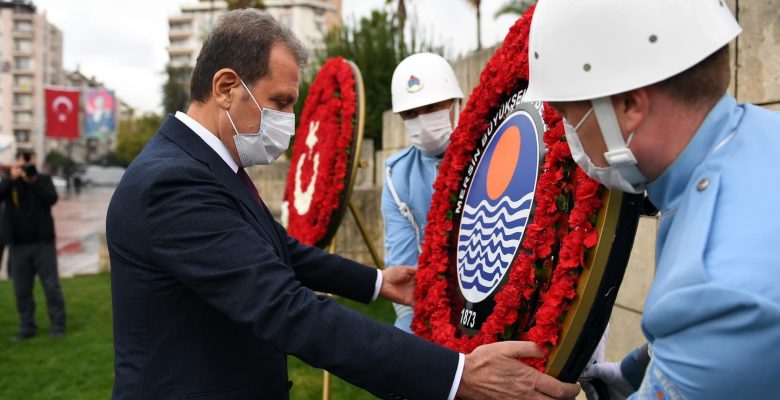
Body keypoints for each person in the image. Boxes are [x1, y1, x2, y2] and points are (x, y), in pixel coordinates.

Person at [107, 9, 580, 400]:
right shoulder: (173, 182)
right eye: (281, 101)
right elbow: (286, 308)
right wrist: (458, 375)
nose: (289, 120)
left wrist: (377, 283)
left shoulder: (209, 167)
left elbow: (281, 251)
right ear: (227, 87)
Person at [524, 0, 780, 398]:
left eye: (566, 113)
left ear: (628, 107)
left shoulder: (714, 291)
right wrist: (635, 371)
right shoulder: (755, 138)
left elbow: (712, 328)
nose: (566, 130)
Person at [383, 52, 463, 332]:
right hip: (431, 311)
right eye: (410, 114)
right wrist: (413, 328)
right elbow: (402, 261)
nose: (422, 120)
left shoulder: (494, 150)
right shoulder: (396, 175)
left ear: (455, 103)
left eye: (431, 108)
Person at [0, 149, 65, 340]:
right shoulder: (10, 181)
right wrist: (9, 178)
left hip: (43, 244)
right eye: (23, 161)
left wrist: (33, 181)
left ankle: (58, 326)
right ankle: (27, 327)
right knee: (21, 290)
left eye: (30, 160)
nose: (27, 165)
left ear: (36, 160)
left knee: (51, 287)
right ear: (17, 162)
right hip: (18, 246)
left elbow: (51, 199)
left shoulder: (42, 179)